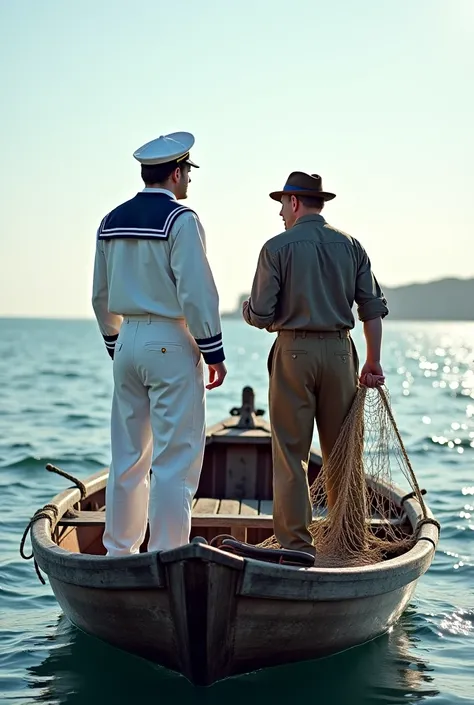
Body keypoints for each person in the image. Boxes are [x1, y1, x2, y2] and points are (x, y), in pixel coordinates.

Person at [92, 131, 227, 556]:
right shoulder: (180, 220)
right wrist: (213, 352)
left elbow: (99, 294)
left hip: (127, 339)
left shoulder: (110, 220)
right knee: (174, 461)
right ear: (175, 172)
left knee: (127, 457)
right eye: (188, 171)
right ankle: (167, 557)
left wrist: (117, 342)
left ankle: (118, 554)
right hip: (169, 339)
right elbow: (196, 292)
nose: (189, 179)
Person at [242, 171, 388, 558]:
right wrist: (371, 362)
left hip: (293, 354)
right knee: (343, 452)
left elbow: (260, 314)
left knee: (291, 453)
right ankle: (351, 542)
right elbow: (372, 310)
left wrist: (247, 311)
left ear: (293, 203)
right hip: (342, 353)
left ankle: (296, 547)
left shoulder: (276, 247)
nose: (280, 215)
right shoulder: (351, 245)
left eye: (282, 206)